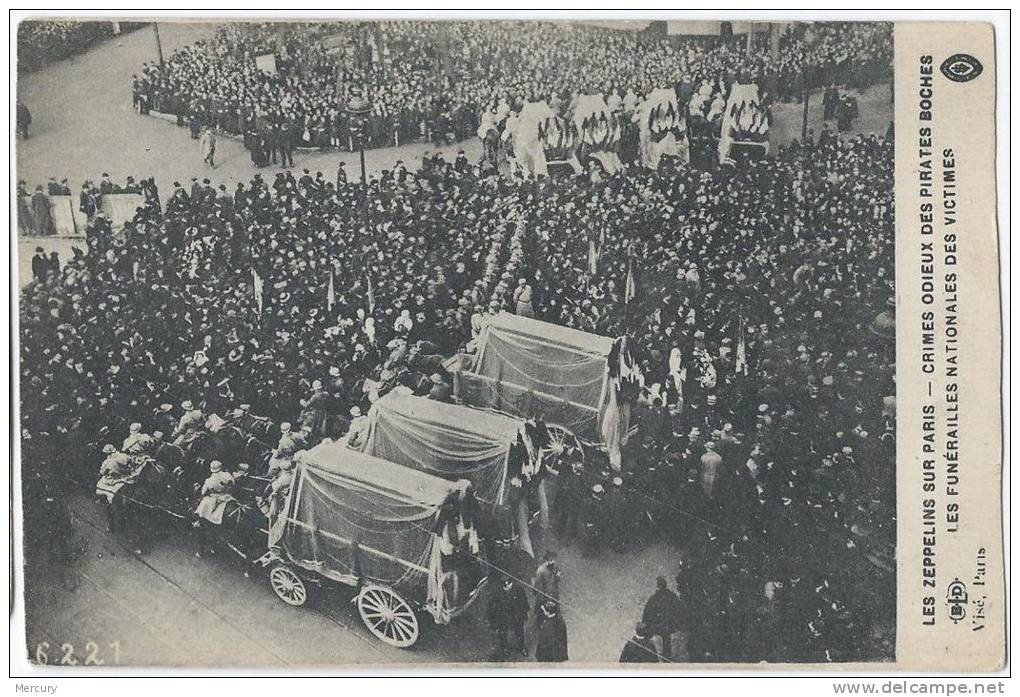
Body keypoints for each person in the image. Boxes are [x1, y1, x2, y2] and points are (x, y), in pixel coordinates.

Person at [486, 576, 530, 660]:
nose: (508, 587)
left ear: (511, 582)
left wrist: (523, 613)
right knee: (502, 634)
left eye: (509, 584)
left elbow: (524, 602)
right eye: (505, 586)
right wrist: (492, 619)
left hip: (516, 617)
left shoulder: (518, 589)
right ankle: (505, 648)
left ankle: (521, 647)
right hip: (503, 617)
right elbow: (491, 606)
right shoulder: (497, 592)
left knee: (520, 632)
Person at [641, 575, 683, 659]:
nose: (659, 586)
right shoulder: (655, 598)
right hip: (660, 628)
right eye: (659, 584)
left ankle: (665, 656)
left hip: (665, 627)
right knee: (661, 642)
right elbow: (647, 612)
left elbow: (678, 610)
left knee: (666, 641)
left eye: (660, 584)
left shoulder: (669, 597)